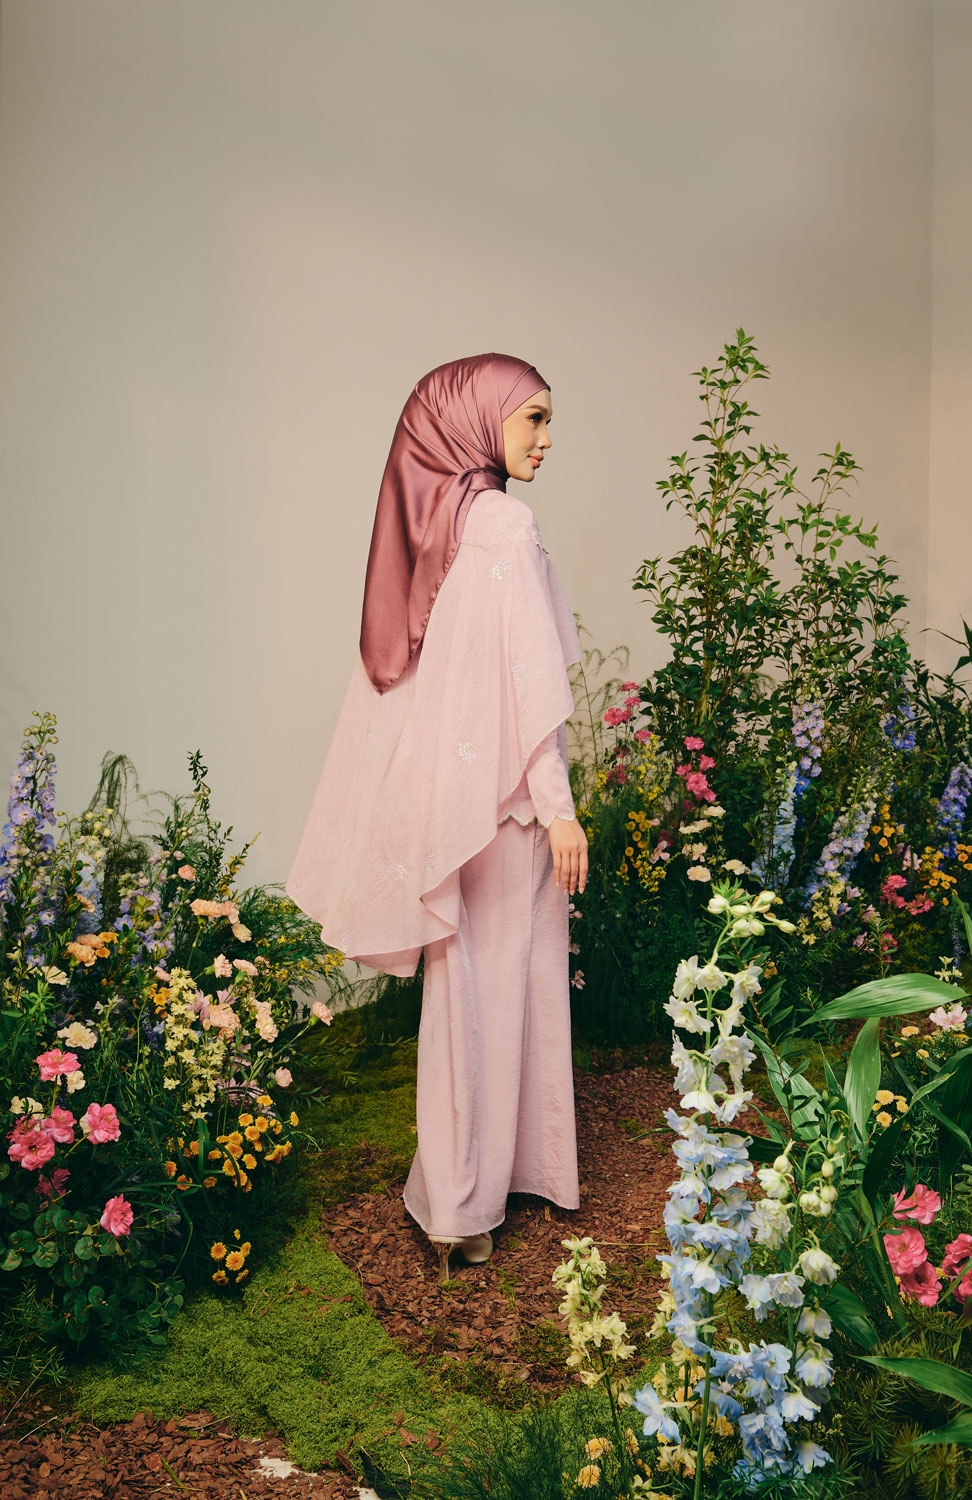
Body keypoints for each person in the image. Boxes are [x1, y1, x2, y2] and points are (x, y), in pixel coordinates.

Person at [285, 352, 588, 1281]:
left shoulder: (444, 524)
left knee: (470, 1000)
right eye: (533, 418)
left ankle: (467, 1194)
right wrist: (560, 810)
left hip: (464, 811)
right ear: (477, 421)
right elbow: (527, 683)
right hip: (513, 813)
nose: (548, 439)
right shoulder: (504, 523)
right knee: (512, 990)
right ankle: (473, 1198)